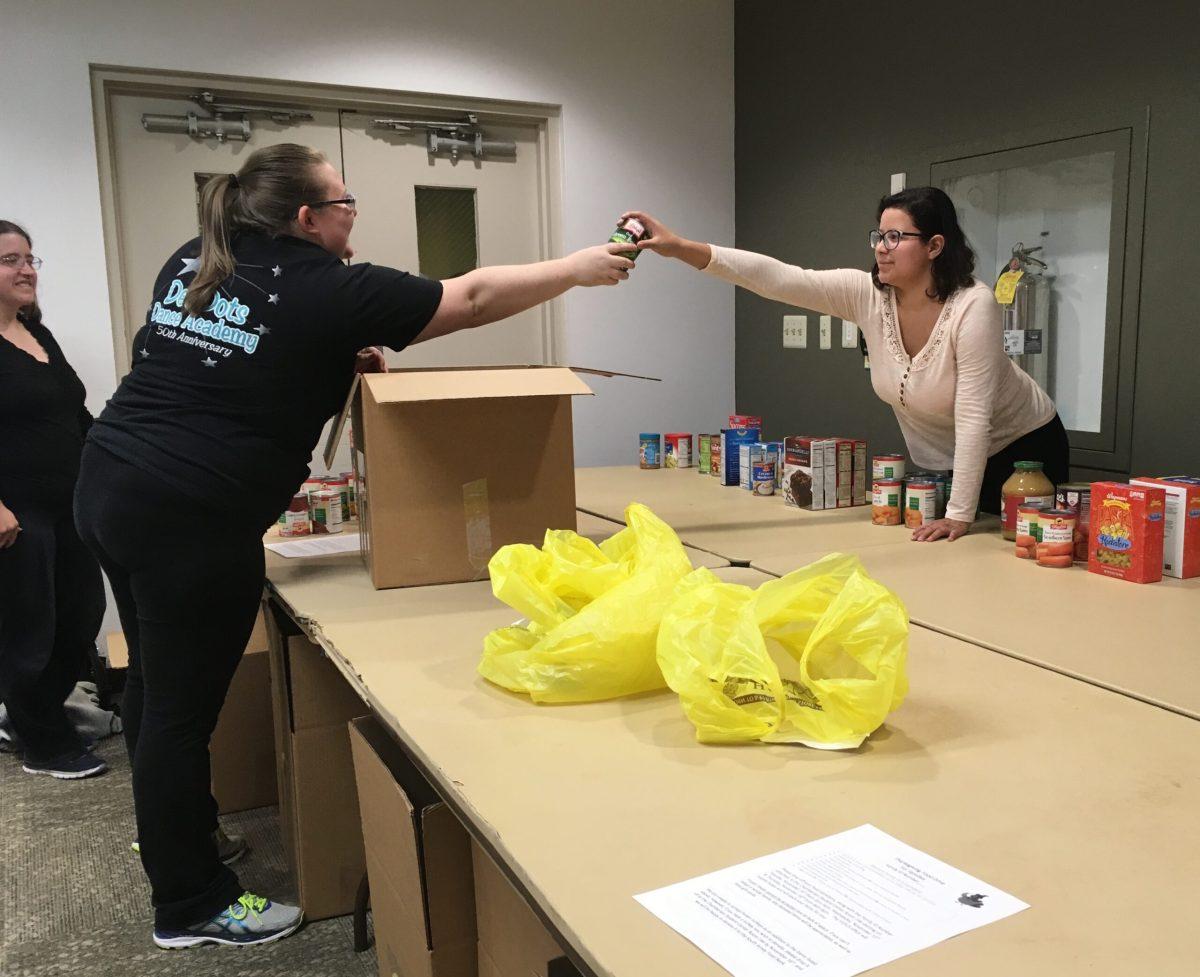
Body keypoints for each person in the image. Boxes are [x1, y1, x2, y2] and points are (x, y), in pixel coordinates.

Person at [73, 143, 633, 950]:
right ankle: (189, 900)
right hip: (190, 515)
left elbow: (197, 356)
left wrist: (323, 355)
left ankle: (181, 841)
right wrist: (579, 266)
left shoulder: (198, 255)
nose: (352, 218)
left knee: (158, 689)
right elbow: (469, 297)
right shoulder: (327, 287)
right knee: (177, 710)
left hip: (112, 478)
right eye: (345, 205)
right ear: (307, 218)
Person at [624, 187, 1068, 541]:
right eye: (879, 236)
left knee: (998, 554)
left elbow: (974, 418)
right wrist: (679, 247)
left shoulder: (974, 305)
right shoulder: (867, 294)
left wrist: (958, 515)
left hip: (1025, 450)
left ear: (935, 245)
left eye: (896, 237)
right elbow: (777, 278)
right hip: (959, 460)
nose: (882, 248)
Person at [0, 221, 108, 780]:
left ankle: (32, 714)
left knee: (81, 614)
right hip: (16, 514)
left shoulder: (36, 334)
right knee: (28, 632)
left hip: (70, 502)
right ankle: (41, 742)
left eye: (30, 258)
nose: (25, 270)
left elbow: (71, 412)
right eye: (9, 260)